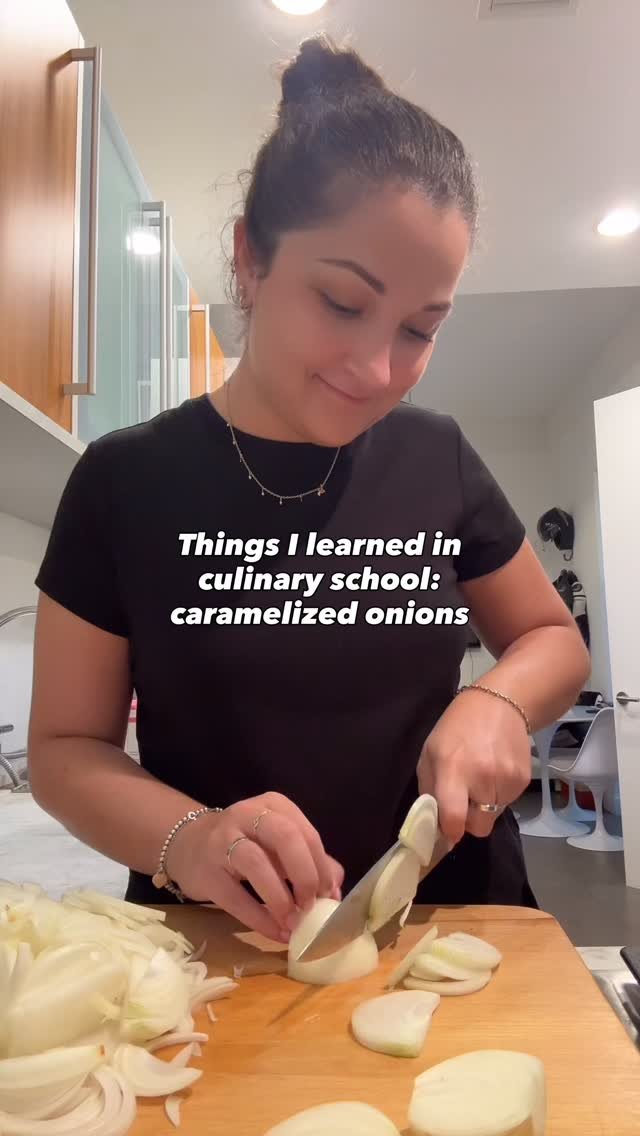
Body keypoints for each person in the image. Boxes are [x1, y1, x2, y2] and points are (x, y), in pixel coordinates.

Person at [28, 36, 590, 945]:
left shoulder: (437, 455)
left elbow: (551, 639)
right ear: (250, 259)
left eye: (420, 328)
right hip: (224, 943)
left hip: (448, 921)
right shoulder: (123, 482)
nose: (378, 370)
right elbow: (63, 752)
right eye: (341, 302)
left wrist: (497, 700)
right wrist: (194, 838)